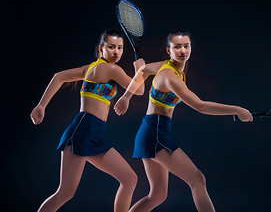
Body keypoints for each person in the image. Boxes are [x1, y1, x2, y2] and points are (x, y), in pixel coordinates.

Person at [114, 29, 253, 212]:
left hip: (150, 132)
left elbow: (143, 70)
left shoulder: (168, 67)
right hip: (154, 134)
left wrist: (127, 96)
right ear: (168, 50)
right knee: (197, 179)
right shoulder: (169, 76)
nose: (183, 51)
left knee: (157, 195)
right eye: (177, 47)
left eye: (186, 46)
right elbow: (200, 106)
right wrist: (237, 109)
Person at [30, 30, 145, 212]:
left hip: (92, 134)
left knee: (129, 179)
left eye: (120, 48)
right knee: (65, 192)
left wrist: (41, 105)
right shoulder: (112, 69)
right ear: (101, 48)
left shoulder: (90, 68)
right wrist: (140, 68)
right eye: (111, 47)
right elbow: (139, 90)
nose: (116, 52)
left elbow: (59, 77)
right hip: (82, 132)